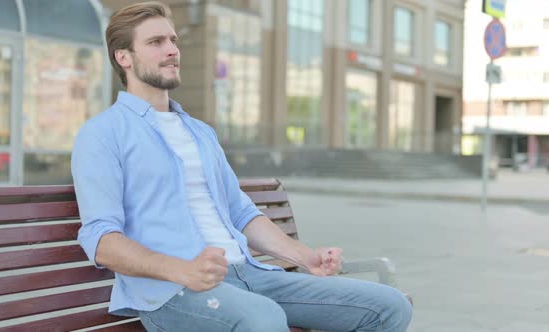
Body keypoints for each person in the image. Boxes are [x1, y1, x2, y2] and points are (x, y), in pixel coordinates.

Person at [71, 2, 412, 331]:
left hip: (250, 275)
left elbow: (240, 211)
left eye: (173, 40)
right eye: (156, 42)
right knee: (262, 319)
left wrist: (305, 257)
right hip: (171, 291)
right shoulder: (102, 134)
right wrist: (180, 270)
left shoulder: (199, 132)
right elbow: (101, 238)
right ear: (123, 57)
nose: (172, 49)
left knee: (388, 306)